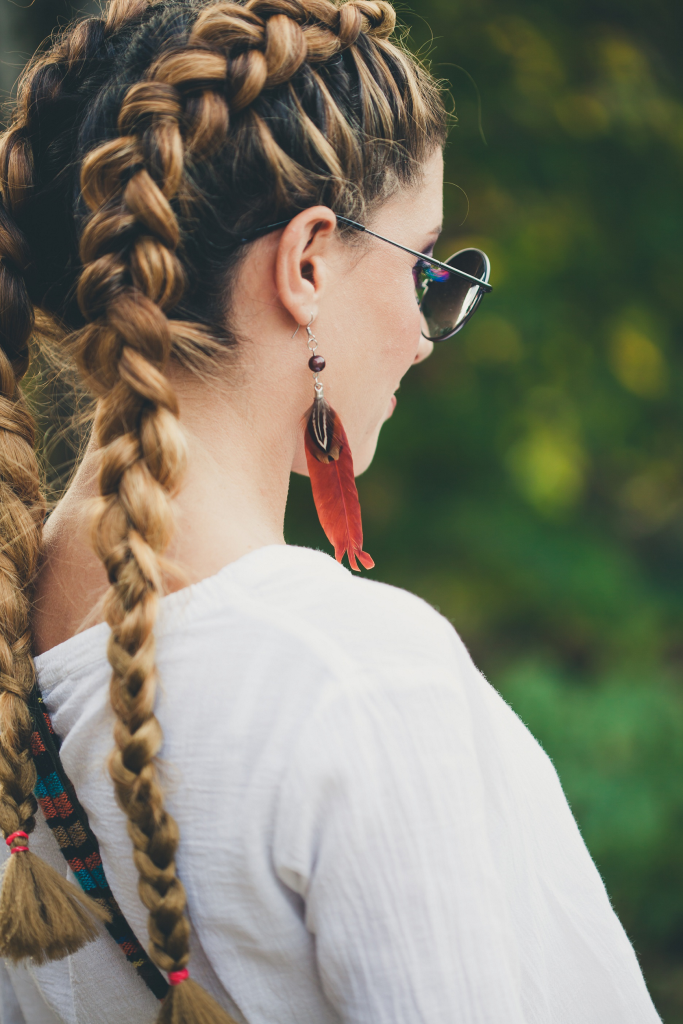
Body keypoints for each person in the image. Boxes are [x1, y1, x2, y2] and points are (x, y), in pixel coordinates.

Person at [0, 1, 662, 1022]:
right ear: (307, 262)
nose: (424, 332)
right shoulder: (354, 682)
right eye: (426, 265)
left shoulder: (19, 664)